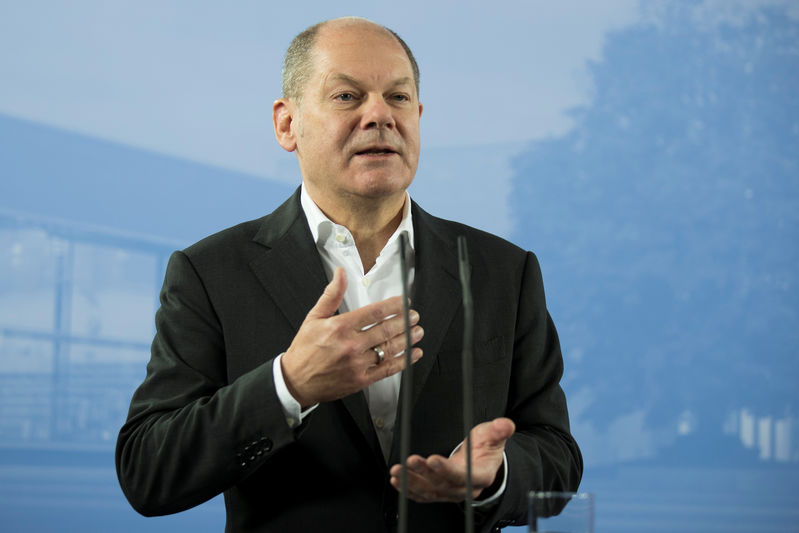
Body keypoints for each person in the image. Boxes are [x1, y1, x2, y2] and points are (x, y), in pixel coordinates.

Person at [115, 17, 582, 533]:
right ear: (286, 124)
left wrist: (495, 478)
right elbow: (148, 472)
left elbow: (556, 453)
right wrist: (288, 386)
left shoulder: (503, 271)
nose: (380, 114)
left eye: (399, 98)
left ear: (419, 116)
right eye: (346, 96)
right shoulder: (210, 273)